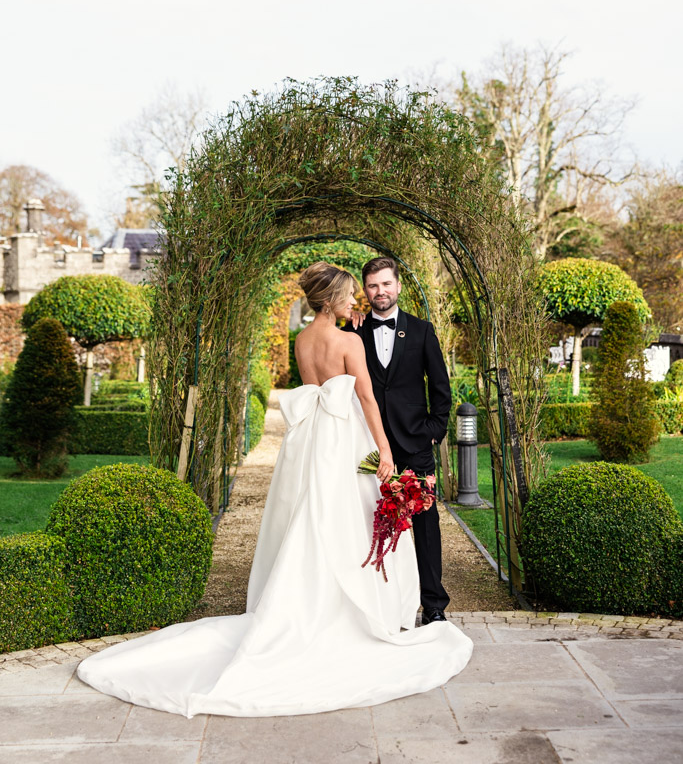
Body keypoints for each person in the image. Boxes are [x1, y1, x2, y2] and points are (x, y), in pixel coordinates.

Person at [76, 262, 472, 717]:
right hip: (351, 440)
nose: (358, 300)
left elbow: (323, 386)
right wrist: (382, 452)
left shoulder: (302, 340)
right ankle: (364, 614)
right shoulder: (349, 340)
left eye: (374, 289)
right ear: (332, 299)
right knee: (355, 521)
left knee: (312, 516)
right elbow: (364, 398)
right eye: (352, 294)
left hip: (312, 443)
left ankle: (317, 603)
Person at [346, 257, 451, 624]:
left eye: (386, 284)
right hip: (369, 448)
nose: (381, 292)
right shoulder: (352, 331)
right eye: (373, 286)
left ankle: (434, 605)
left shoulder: (422, 331)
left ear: (399, 286)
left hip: (415, 445)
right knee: (367, 522)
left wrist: (432, 433)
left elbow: (441, 391)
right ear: (364, 290)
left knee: (425, 526)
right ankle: (379, 606)